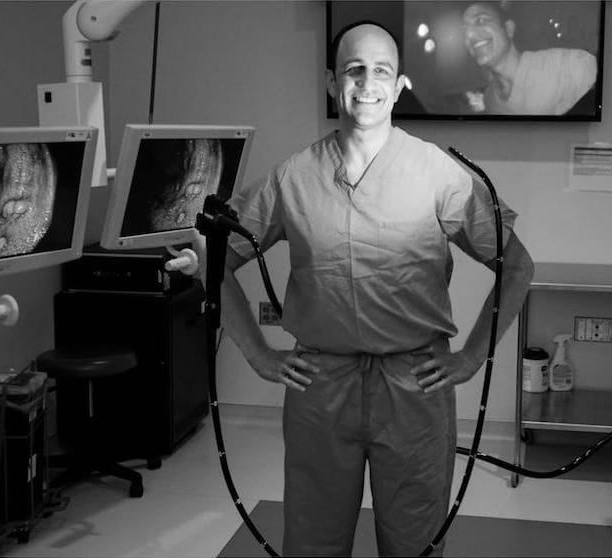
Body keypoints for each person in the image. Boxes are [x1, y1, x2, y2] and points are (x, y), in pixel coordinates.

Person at [221, 20, 534, 557]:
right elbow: (216, 265)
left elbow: (518, 267)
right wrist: (257, 355)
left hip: (415, 388)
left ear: (399, 82)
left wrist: (471, 359)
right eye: (354, 69)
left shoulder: (441, 175)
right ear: (330, 82)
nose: (368, 83)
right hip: (321, 388)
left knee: (414, 542)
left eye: (381, 70)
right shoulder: (293, 178)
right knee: (313, 541)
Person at [462, 2, 597, 115]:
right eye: (464, 31)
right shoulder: (490, 101)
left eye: (480, 20)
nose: (469, 35)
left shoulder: (573, 66)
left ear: (509, 29)